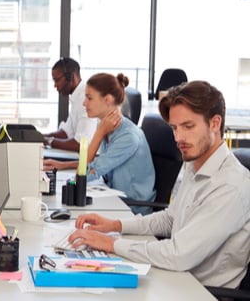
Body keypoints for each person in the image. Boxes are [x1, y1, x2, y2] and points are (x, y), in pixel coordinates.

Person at [69, 81, 250, 288]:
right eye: (174, 128)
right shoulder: (195, 164)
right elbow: (171, 219)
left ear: (215, 124)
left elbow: (178, 254)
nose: (178, 137)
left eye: (188, 126)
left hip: (198, 290)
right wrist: (116, 225)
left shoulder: (231, 186)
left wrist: (112, 244)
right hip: (173, 276)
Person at [44, 73, 155, 214]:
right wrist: (63, 165)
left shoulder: (128, 137)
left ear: (107, 99)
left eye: (89, 98)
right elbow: (99, 162)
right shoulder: (110, 128)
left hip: (131, 209)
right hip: (115, 200)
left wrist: (99, 133)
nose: (84, 103)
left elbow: (82, 176)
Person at [45, 57, 98, 151]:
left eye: (57, 80)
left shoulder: (85, 98)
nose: (55, 85)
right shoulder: (77, 96)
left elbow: (80, 144)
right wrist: (42, 137)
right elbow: (67, 132)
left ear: (71, 77)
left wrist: (50, 141)